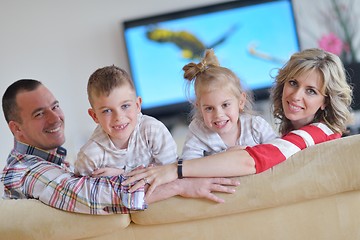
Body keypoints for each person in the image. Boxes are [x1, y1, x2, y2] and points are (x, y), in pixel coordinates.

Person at [123, 48, 353, 198]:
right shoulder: (292, 131)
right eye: (293, 83)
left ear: (326, 101)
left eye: (311, 91)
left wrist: (176, 171)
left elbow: (251, 162)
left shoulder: (319, 133)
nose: (295, 95)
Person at [0, 79, 240, 215]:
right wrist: (183, 183)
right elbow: (93, 196)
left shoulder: (52, 163)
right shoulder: (26, 171)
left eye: (55, 106)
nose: (55, 118)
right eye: (40, 114)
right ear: (17, 129)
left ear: (138, 106)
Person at [73, 65, 177, 177]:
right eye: (107, 110)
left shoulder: (153, 131)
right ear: (94, 116)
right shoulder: (90, 156)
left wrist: (123, 175)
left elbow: (173, 172)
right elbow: (80, 190)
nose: (118, 117)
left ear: (137, 105)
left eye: (125, 106)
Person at [180, 49, 277, 160]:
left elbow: (278, 152)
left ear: (240, 102)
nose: (218, 115)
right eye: (209, 108)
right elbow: (188, 165)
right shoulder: (198, 131)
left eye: (225, 105)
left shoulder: (256, 126)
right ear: (199, 107)